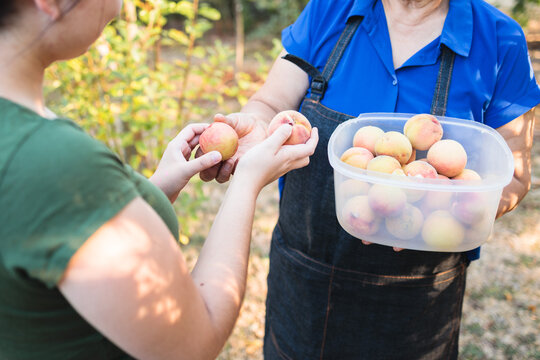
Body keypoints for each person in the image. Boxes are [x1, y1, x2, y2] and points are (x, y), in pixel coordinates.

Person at [199, 0, 540, 358]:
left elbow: (513, 175)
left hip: (416, 300)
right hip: (304, 283)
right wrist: (256, 125)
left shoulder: (501, 41)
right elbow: (270, 102)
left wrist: (447, 207)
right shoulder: (329, 10)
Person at [0, 1, 319, 359]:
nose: (119, 7)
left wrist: (149, 192)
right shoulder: (59, 165)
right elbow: (196, 341)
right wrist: (246, 182)